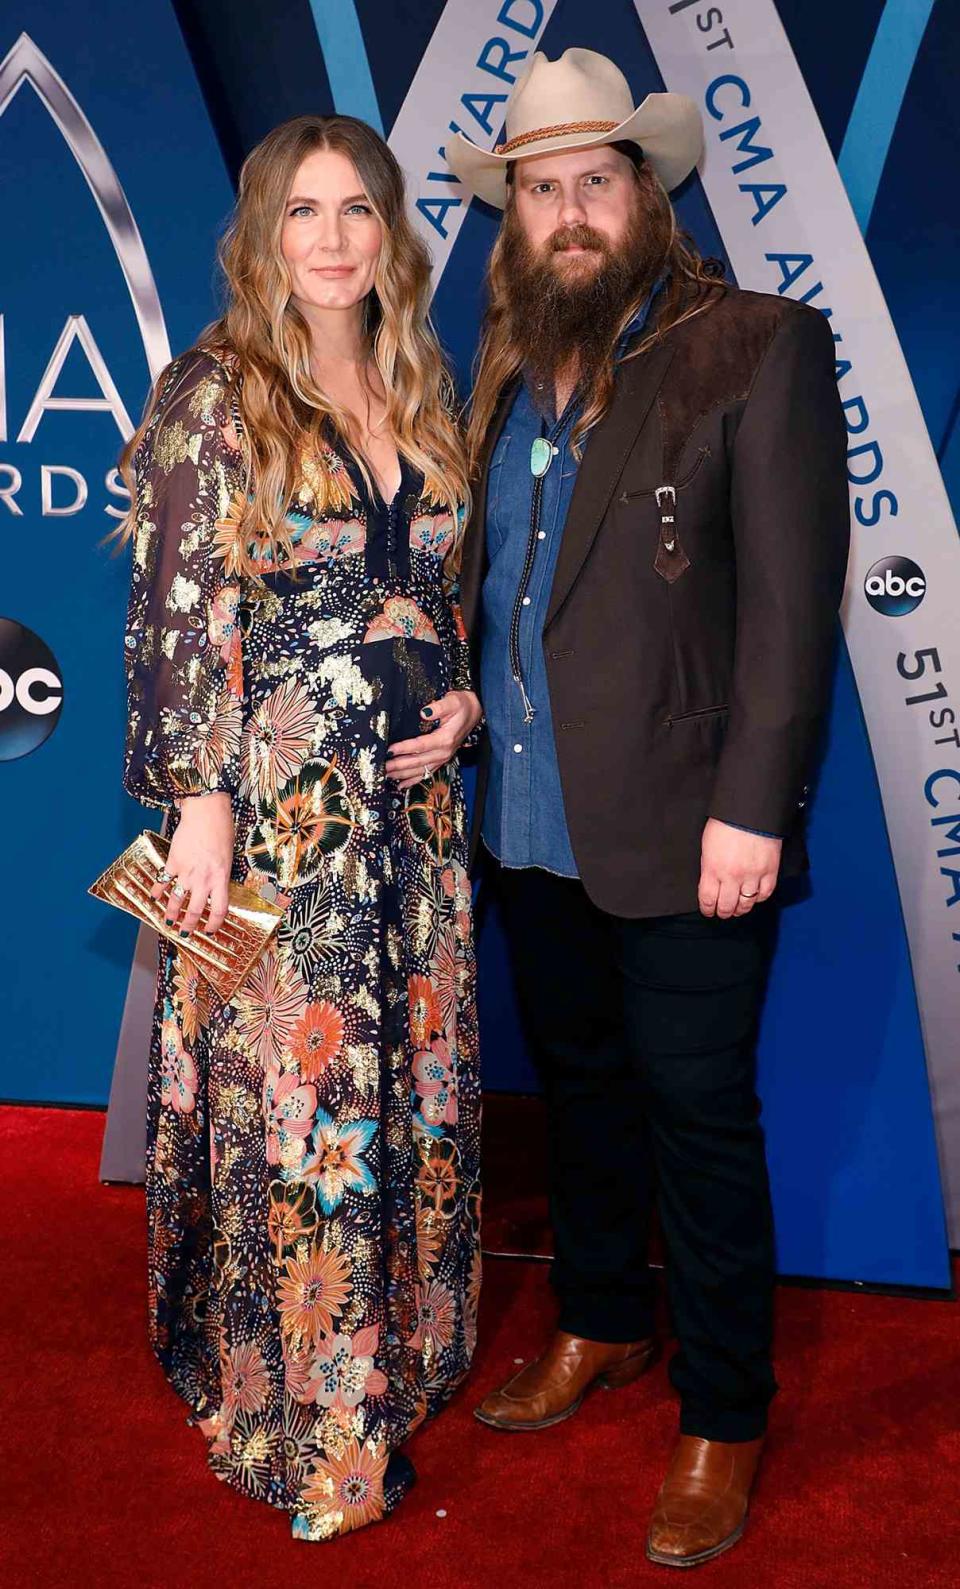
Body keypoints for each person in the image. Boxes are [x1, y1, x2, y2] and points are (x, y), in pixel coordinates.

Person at [447, 48, 849, 1568]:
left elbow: (794, 618)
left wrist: (756, 806)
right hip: (532, 827)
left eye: (593, 182)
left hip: (695, 833)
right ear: (517, 216)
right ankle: (605, 1319)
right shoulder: (498, 370)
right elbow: (513, 599)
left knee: (697, 1112)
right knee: (585, 1094)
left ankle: (724, 1409)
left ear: (649, 194)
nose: (567, 211)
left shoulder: (753, 345)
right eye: (540, 188)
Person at [115, 113, 483, 1540]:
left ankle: (402, 1355)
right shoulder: (218, 391)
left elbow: (444, 594)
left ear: (393, 234)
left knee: (420, 1080)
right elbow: (174, 614)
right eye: (304, 212)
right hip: (279, 821)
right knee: (307, 1105)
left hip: (419, 825)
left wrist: (459, 707)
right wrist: (199, 813)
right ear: (263, 236)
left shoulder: (423, 383)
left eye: (359, 211)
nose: (333, 239)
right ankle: (306, 1414)